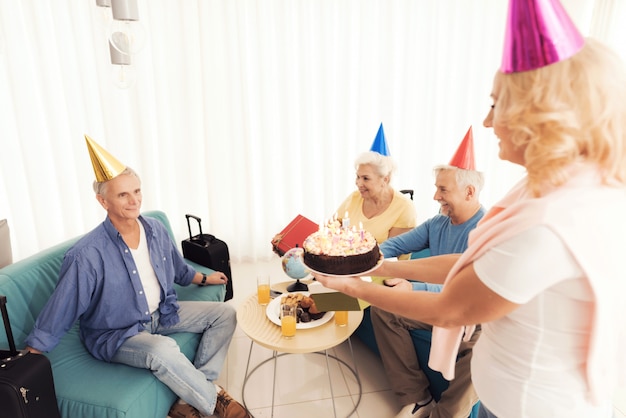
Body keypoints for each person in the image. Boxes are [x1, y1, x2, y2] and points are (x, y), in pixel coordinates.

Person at [312, 1, 626, 417]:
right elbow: (470, 263)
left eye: (496, 104)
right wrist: (381, 268)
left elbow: (452, 307)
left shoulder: (551, 222)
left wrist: (353, 287)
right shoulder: (553, 187)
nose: (487, 120)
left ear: (540, 114)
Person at [24, 136, 250, 418]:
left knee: (225, 314)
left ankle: (186, 400)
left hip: (162, 313)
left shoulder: (154, 229)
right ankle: (213, 399)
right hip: (116, 333)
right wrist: (31, 357)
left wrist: (204, 279)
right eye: (123, 195)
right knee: (162, 350)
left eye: (137, 191)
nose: (135, 201)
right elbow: (62, 308)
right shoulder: (86, 255)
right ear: (102, 201)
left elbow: (178, 269)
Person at [372, 132, 487, 418]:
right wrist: (367, 258)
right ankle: (416, 397)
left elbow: (468, 293)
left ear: (469, 192)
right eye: (437, 188)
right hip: (437, 306)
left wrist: (414, 288)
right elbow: (396, 245)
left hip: (470, 315)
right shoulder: (437, 223)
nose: (435, 196)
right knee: (383, 309)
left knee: (481, 351)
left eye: (443, 190)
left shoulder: (486, 231)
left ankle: (446, 414)